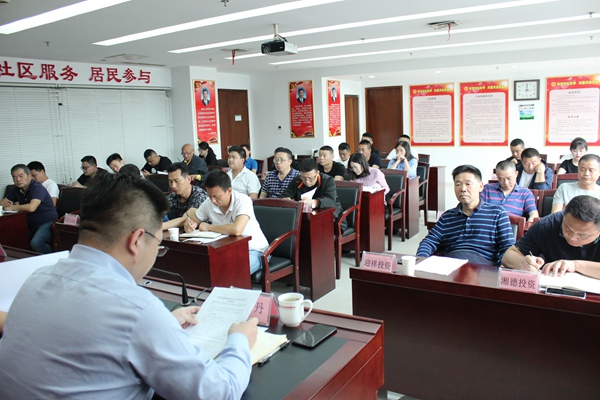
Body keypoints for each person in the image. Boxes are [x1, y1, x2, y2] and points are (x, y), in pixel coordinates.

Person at [0, 173, 258, 398]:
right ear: (136, 241)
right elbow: (219, 393)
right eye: (158, 245)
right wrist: (239, 342)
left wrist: (163, 324)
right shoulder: (136, 310)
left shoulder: (36, 279)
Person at [171, 171, 268, 274]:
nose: (213, 200)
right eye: (210, 196)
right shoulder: (209, 203)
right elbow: (194, 219)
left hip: (255, 251)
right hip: (226, 250)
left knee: (231, 272)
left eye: (216, 196)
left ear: (229, 191)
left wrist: (209, 227)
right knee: (201, 267)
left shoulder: (243, 201)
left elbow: (236, 230)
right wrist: (189, 224)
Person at [416, 165, 514, 265]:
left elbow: (507, 247)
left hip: (483, 267)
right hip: (451, 265)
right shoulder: (447, 216)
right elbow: (429, 241)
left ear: (481, 186)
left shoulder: (497, 213)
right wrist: (421, 259)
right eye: (458, 184)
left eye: (468, 184)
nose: (463, 189)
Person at [502, 195, 600, 279]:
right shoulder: (548, 224)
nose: (572, 238)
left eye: (582, 235)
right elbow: (508, 256)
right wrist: (522, 263)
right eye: (567, 229)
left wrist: (575, 265)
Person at [0, 164, 58, 254]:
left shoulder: (37, 187)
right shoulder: (16, 190)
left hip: (48, 222)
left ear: (29, 175)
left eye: (21, 176)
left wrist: (12, 207)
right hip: (31, 223)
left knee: (36, 243)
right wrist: (6, 205)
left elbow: (31, 208)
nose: (18, 180)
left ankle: (54, 257)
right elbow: (3, 202)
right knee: (14, 238)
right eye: (14, 177)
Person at [280, 158, 345, 230]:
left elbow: (330, 201)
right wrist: (287, 200)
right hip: (304, 220)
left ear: (317, 173)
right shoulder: (297, 180)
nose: (307, 181)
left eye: (310, 178)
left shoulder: (328, 180)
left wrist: (312, 202)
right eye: (303, 177)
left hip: (330, 220)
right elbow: (285, 195)